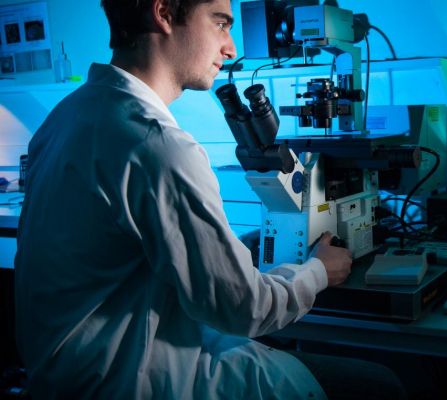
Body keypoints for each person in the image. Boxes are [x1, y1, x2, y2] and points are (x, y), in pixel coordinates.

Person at [14, 0, 404, 398]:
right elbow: (244, 307)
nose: (231, 48)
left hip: (66, 378)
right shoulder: (158, 145)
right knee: (380, 386)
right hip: (132, 380)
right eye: (220, 24)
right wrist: (320, 270)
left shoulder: (64, 118)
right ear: (163, 13)